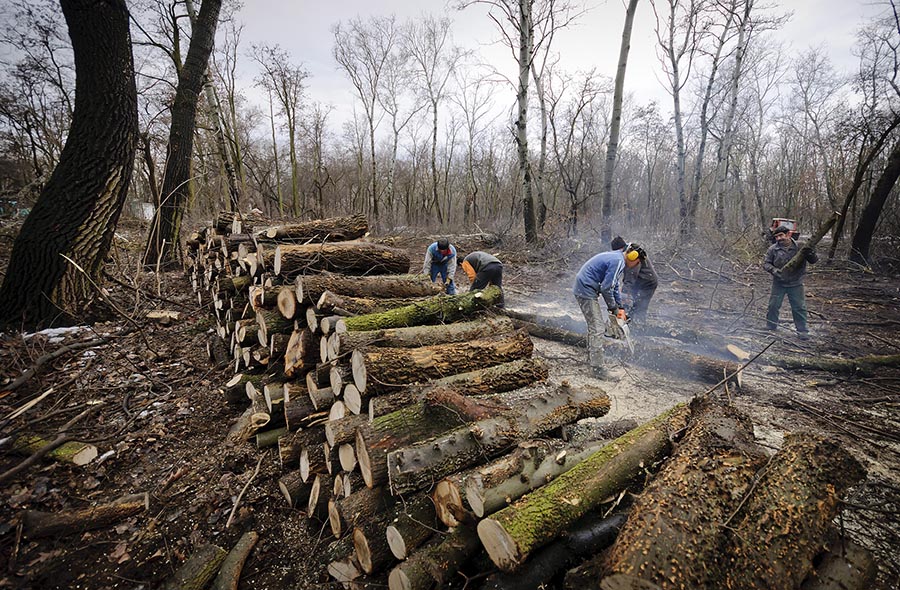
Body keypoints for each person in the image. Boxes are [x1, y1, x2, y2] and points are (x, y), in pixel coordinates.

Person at [573, 237, 641, 377]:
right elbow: (606, 287)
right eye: (637, 262)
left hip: (586, 288)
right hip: (585, 289)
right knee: (597, 328)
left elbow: (614, 286)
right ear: (632, 256)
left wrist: (619, 307)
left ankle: (592, 360)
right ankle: (597, 369)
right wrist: (612, 307)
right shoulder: (618, 261)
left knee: (594, 327)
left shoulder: (617, 260)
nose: (636, 265)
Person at [763, 225, 818, 340]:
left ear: (788, 234)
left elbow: (813, 261)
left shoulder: (801, 247)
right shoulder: (773, 249)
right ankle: (771, 326)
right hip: (779, 283)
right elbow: (766, 264)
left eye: (781, 235)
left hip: (796, 283)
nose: (778, 239)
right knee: (773, 305)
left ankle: (802, 331)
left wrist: (810, 253)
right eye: (776, 236)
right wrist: (774, 270)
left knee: (799, 307)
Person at [621, 243, 658, 323]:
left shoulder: (633, 257)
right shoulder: (628, 253)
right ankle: (630, 322)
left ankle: (639, 326)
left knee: (640, 305)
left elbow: (630, 277)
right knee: (633, 304)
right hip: (639, 282)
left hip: (648, 283)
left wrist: (624, 295)